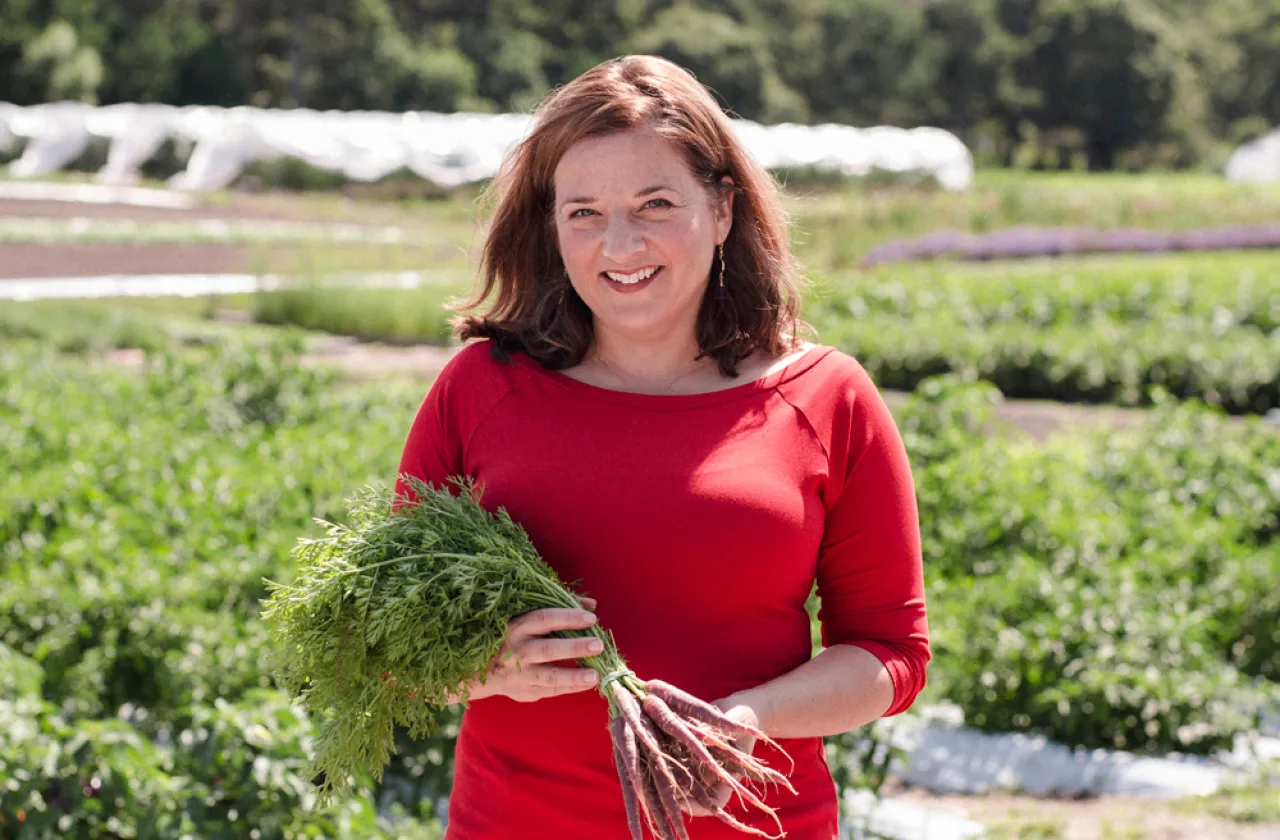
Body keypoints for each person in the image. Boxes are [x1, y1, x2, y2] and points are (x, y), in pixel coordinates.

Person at [394, 54, 930, 840]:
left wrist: (753, 717)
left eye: (653, 204)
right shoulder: (480, 389)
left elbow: (891, 653)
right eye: (583, 212)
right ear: (549, 225)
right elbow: (385, 645)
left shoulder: (827, 399)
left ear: (721, 208)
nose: (619, 244)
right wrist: (489, 672)